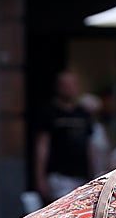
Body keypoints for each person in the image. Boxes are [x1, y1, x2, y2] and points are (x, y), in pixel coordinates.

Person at [34, 70, 96, 204]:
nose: (69, 88)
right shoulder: (49, 113)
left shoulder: (83, 114)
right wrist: (40, 177)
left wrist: (94, 174)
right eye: (65, 85)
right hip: (58, 176)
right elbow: (42, 146)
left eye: (72, 85)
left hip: (81, 176)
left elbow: (90, 146)